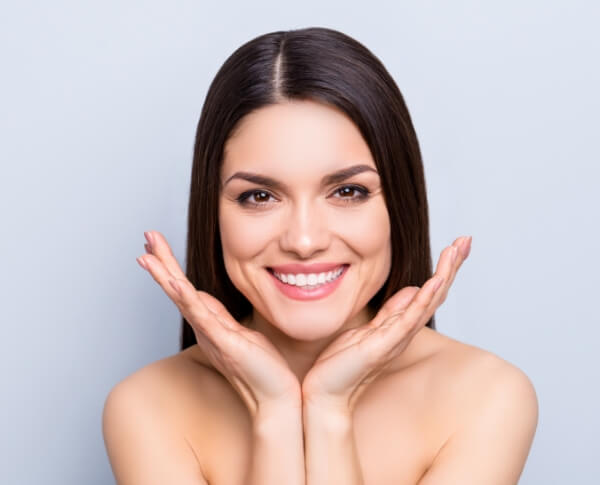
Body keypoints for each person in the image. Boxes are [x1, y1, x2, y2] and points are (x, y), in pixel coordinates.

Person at [102, 27, 538, 484]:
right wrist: (274, 410)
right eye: (259, 196)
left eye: (348, 191)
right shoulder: (148, 405)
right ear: (213, 213)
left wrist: (329, 409)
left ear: (399, 205)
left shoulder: (486, 395)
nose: (304, 240)